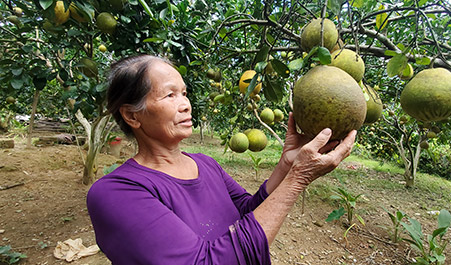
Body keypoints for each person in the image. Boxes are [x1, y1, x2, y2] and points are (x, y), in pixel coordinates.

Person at [86, 54, 357, 265]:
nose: (186, 104)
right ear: (132, 116)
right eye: (170, 95)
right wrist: (297, 179)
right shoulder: (115, 193)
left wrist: (287, 165)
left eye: (184, 93)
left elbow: (248, 212)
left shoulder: (206, 164)